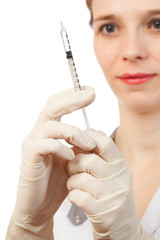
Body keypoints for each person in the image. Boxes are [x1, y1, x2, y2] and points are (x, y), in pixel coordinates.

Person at [5, 0, 160, 239]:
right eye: (109, 27)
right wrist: (28, 230)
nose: (131, 51)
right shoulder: (60, 182)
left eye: (157, 24)